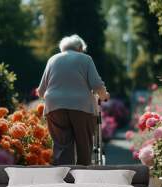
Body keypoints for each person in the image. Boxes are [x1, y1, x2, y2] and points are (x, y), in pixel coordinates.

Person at [37, 34, 110, 165]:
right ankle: (82, 177)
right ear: (80, 48)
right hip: (81, 107)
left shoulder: (52, 59)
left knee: (62, 146)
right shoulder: (85, 59)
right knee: (84, 145)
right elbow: (97, 85)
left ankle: (64, 179)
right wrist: (104, 96)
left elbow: (41, 91)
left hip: (54, 107)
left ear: (62, 49)